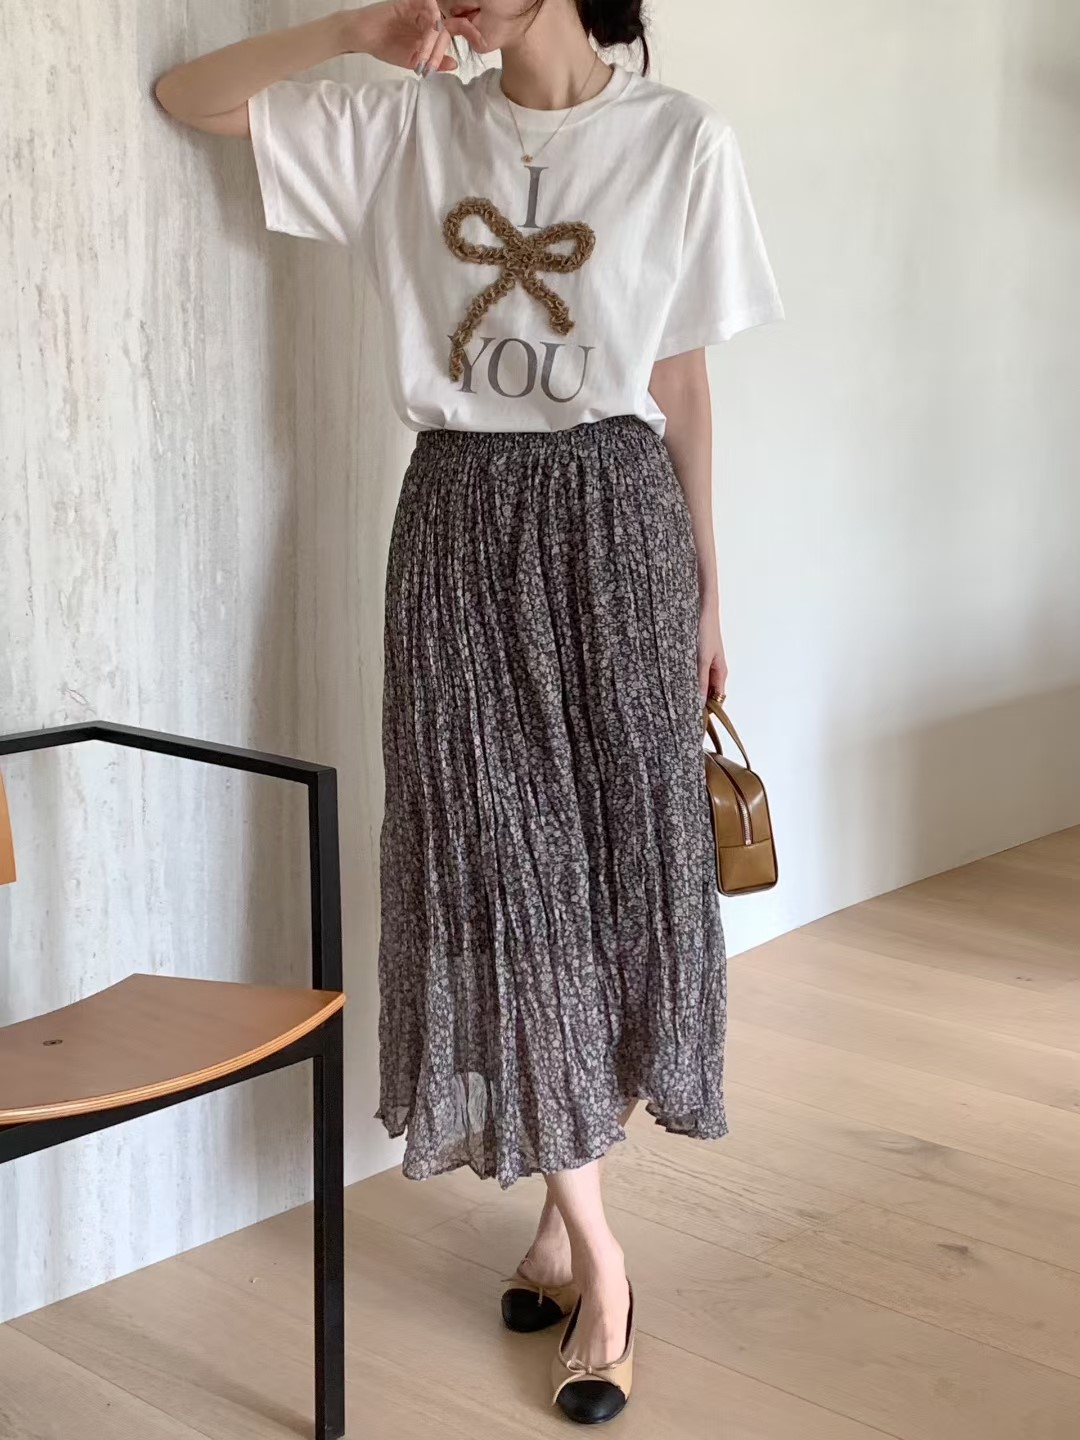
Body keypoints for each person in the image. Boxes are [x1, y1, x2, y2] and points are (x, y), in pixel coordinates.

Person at [154, 0, 784, 1422]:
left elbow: (681, 379)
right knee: (504, 876)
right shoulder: (405, 125)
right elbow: (191, 97)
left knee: (615, 875)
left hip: (620, 522)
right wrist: (351, 31)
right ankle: (607, 1269)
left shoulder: (679, 140)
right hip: (457, 521)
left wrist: (707, 587)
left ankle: (559, 1222)